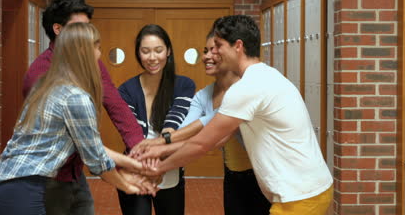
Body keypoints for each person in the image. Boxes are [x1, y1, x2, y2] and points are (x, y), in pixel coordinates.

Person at [142, 15, 333, 215]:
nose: (213, 53)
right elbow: (217, 140)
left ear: (238, 46)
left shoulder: (247, 87)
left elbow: (202, 144)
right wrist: (162, 150)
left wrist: (160, 167)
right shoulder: (263, 75)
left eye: (218, 45)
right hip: (308, 190)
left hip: (299, 197)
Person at [0, 23, 156, 215]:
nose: (100, 55)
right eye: (97, 48)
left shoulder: (48, 84)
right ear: (84, 52)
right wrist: (128, 186)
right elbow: (96, 161)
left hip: (5, 189)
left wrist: (134, 165)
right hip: (25, 193)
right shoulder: (75, 98)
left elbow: (92, 145)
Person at [23, 0, 144, 214]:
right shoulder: (40, 74)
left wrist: (139, 147)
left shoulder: (92, 63)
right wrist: (127, 177)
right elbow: (85, 146)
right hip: (46, 177)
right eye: (80, 28)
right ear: (59, 29)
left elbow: (116, 105)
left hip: (76, 172)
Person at [133, 31, 271, 214]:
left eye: (214, 50)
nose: (206, 56)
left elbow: (211, 137)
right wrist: (159, 150)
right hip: (233, 175)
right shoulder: (203, 95)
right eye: (205, 51)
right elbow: (185, 131)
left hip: (262, 176)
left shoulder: (245, 89)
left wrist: (159, 151)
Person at [118, 24, 195, 215]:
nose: (152, 57)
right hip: (135, 168)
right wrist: (148, 168)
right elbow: (132, 134)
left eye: (158, 50)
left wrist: (160, 166)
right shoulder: (126, 89)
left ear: (168, 51)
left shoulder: (184, 85)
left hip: (170, 167)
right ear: (138, 53)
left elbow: (173, 127)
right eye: (145, 51)